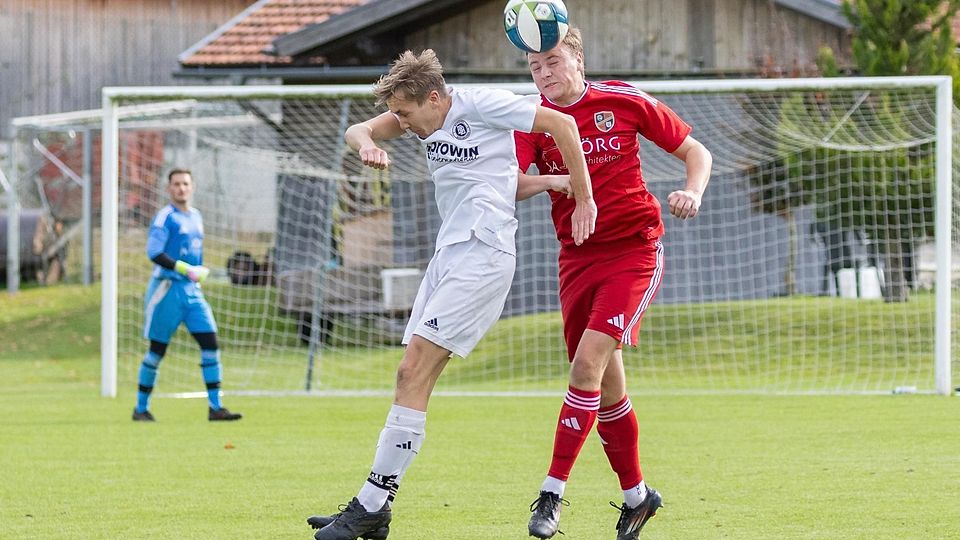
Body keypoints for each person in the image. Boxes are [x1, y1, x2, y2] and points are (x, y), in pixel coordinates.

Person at [306, 48, 595, 540]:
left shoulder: (483, 104)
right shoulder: (421, 118)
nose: (400, 121)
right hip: (450, 255)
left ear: (435, 98)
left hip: (483, 255)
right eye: (396, 112)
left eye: (405, 112)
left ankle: (372, 504)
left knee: (412, 370)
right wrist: (367, 145)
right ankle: (376, 507)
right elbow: (360, 131)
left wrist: (584, 197)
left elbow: (562, 127)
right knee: (409, 377)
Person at [514, 28, 713, 539]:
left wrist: (691, 192)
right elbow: (510, 185)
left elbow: (697, 152)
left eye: (553, 61)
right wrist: (558, 182)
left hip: (633, 251)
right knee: (604, 386)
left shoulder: (621, 99)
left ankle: (551, 494)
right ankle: (637, 497)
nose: (544, 74)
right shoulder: (532, 121)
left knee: (586, 366)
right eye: (535, 67)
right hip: (576, 260)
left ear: (578, 58)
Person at [132, 169, 242, 423]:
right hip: (167, 290)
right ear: (169, 188)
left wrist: (197, 274)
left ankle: (215, 407)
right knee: (157, 350)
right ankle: (140, 408)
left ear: (192, 187)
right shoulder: (165, 218)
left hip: (192, 293)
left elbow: (196, 254)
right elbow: (154, 252)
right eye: (176, 184)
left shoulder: (196, 217)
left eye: (185, 183)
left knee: (210, 344)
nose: (181, 188)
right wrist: (184, 268)